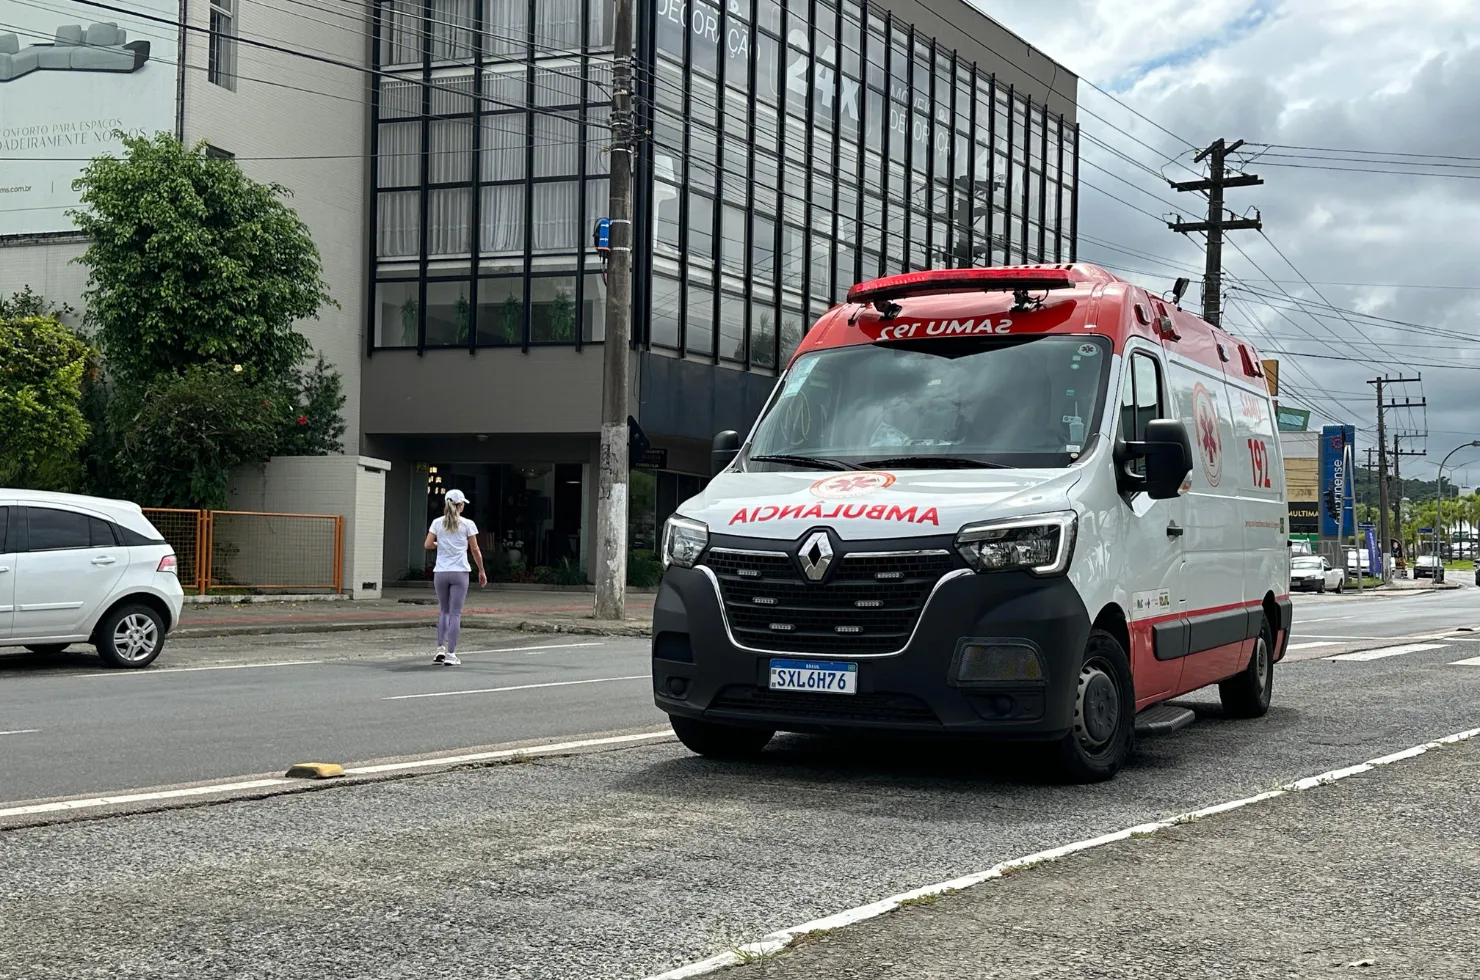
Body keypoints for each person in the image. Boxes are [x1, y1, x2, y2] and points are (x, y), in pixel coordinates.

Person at [424, 489, 486, 665]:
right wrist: (481, 570)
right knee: (455, 613)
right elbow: (475, 550)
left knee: (443, 611)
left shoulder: (437, 523)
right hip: (459, 572)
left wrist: (440, 544)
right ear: (460, 506)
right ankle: (451, 654)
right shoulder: (467, 524)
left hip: (441, 572)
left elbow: (428, 544)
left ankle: (440, 650)